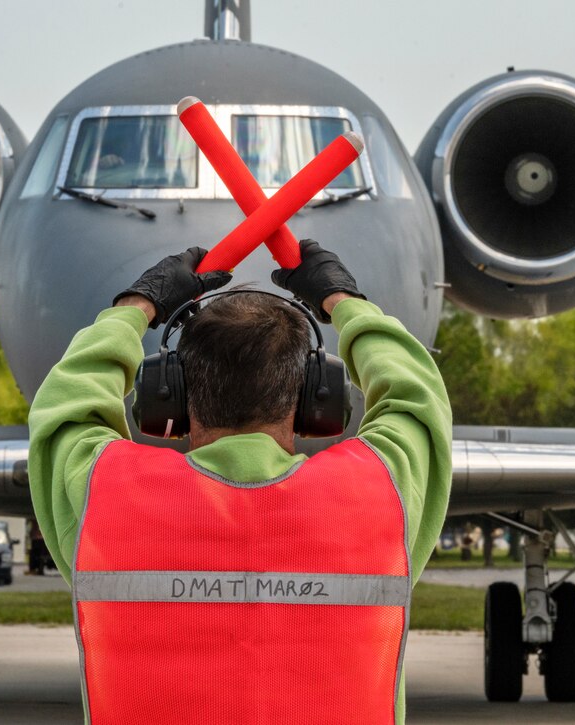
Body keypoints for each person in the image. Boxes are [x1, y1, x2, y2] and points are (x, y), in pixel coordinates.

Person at [28, 241, 451, 723]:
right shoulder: (382, 493)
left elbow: (64, 407)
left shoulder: (104, 493)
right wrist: (343, 301)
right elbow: (418, 398)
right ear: (318, 399)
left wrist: (137, 306)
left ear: (171, 396)